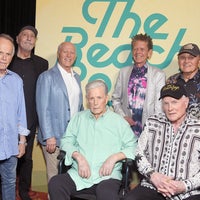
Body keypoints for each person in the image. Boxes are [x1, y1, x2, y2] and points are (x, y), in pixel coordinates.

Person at [48, 80, 137, 200]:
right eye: (91, 98)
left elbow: (133, 146)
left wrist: (114, 158)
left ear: (106, 99)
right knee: (56, 183)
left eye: (99, 98)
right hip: (79, 175)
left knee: (106, 193)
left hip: (107, 177)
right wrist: (78, 157)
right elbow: (66, 141)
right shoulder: (78, 118)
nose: (95, 103)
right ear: (87, 99)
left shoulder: (119, 122)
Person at [125, 83, 200, 200]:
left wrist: (184, 186)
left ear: (186, 103)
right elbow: (139, 153)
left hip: (188, 192)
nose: (170, 108)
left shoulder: (198, 128)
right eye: (166, 103)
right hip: (152, 186)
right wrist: (153, 176)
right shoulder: (152, 123)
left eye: (174, 102)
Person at [8, 25, 49, 200]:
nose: (29, 38)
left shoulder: (41, 64)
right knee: (5, 160)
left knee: (27, 160)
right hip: (7, 122)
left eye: (32, 36)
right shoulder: (7, 61)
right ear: (17, 39)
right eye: (25, 35)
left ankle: (24, 192)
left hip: (30, 121)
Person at [36, 41, 84, 183]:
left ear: (75, 57)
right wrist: (49, 136)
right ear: (58, 54)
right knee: (55, 178)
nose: (68, 55)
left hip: (73, 138)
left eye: (72, 53)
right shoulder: (47, 77)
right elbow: (42, 108)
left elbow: (79, 107)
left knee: (69, 179)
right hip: (54, 139)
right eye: (65, 51)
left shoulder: (76, 77)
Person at [112, 33, 166, 138]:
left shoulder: (158, 75)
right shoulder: (123, 72)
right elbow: (115, 99)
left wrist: (153, 127)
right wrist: (123, 117)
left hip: (150, 131)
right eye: (135, 49)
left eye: (142, 49)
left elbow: (160, 106)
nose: (138, 52)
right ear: (132, 52)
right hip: (125, 131)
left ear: (149, 53)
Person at [0, 34, 29, 200]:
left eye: (8, 54)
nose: (4, 57)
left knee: (10, 183)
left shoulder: (16, 81)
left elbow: (21, 113)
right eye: (0, 52)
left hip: (10, 145)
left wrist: (22, 141)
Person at [167, 43, 200, 119]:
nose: (186, 61)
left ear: (198, 60)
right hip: (175, 129)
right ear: (178, 60)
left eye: (191, 57)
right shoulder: (171, 81)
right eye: (182, 57)